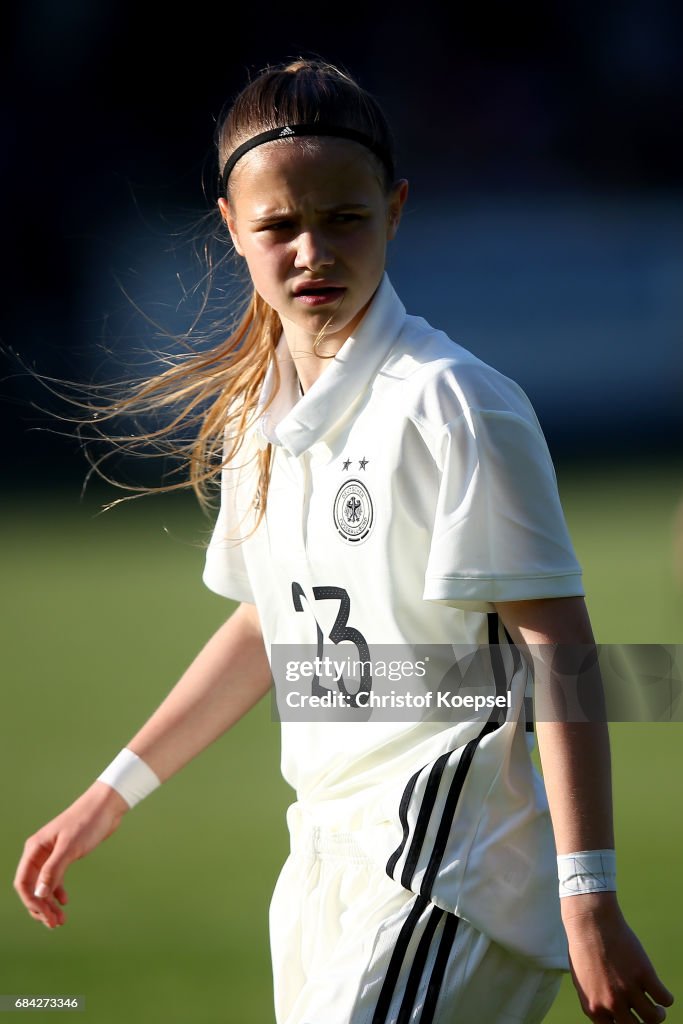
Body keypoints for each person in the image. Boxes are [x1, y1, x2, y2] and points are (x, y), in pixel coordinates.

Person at [14, 58, 674, 1024]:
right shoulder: (259, 413)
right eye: (279, 225)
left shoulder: (451, 402)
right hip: (327, 857)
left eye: (344, 218)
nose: (312, 250)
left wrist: (589, 896)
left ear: (395, 210)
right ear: (232, 229)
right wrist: (111, 793)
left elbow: (558, 650)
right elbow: (266, 627)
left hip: (447, 869)